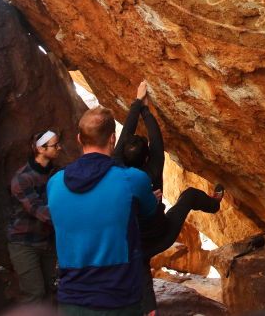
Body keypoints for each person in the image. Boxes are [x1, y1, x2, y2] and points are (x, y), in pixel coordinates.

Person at [113, 80, 224, 315]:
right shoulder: (152, 169)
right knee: (190, 196)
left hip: (130, 241)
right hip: (161, 235)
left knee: (139, 260)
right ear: (145, 157)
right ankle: (214, 204)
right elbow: (156, 137)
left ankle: (147, 309)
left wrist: (136, 104)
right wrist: (143, 107)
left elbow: (125, 137)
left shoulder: (116, 167)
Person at [47, 106, 159, 316]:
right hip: (119, 297)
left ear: (79, 138)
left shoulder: (54, 183)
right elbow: (150, 214)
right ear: (112, 139)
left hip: (71, 298)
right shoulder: (133, 180)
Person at [7, 130, 62, 304]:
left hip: (47, 242)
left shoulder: (55, 173)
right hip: (24, 243)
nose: (59, 148)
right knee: (34, 293)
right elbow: (39, 210)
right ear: (41, 149)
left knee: (50, 292)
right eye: (55, 145)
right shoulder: (22, 178)